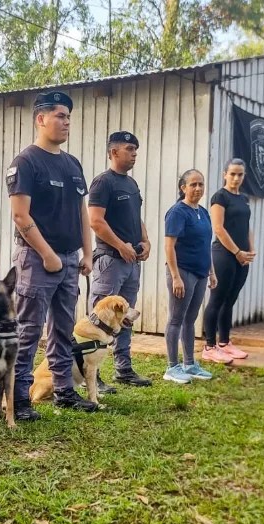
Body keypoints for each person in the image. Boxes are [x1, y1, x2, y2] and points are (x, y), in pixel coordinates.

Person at [7, 91, 97, 417]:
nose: (66, 122)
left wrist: (87, 253)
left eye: (69, 117)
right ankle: (18, 398)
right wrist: (47, 255)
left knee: (63, 328)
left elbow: (82, 212)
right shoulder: (26, 162)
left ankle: (64, 391)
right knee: (28, 329)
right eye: (60, 116)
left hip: (70, 259)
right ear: (40, 119)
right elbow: (20, 216)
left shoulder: (72, 164)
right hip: (36, 260)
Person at [87, 131, 152, 392]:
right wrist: (120, 246)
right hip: (110, 262)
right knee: (100, 318)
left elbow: (138, 218)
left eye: (136, 149)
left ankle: (123, 369)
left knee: (125, 318)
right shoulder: (103, 183)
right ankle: (93, 373)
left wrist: (145, 242)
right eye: (129, 149)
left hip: (131, 263)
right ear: (114, 152)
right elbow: (95, 221)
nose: (134, 153)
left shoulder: (132, 185)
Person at [163, 169, 217, 383]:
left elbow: (206, 245)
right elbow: (169, 246)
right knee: (176, 319)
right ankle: (172, 367)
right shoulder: (177, 212)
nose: (197, 188)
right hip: (183, 272)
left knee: (191, 319)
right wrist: (176, 277)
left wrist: (212, 272)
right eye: (193, 184)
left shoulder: (203, 212)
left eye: (201, 184)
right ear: (183, 187)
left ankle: (189, 363)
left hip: (201, 272)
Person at [202, 158, 255, 364]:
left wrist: (250, 249)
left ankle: (224, 343)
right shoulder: (220, 197)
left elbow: (247, 226)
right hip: (224, 255)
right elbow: (218, 228)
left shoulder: (243, 198)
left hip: (242, 257)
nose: (236, 178)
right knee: (217, 300)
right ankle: (209, 346)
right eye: (232, 173)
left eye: (240, 174)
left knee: (230, 300)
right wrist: (237, 252)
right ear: (225, 174)